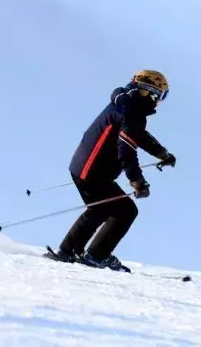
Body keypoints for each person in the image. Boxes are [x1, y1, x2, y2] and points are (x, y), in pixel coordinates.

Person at [51, 70, 176, 272]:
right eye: (157, 96)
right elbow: (127, 149)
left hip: (83, 166)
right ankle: (95, 257)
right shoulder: (132, 112)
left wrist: (161, 153)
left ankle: (67, 251)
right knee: (126, 210)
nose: (157, 102)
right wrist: (137, 181)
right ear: (146, 92)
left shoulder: (125, 103)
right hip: (93, 171)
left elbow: (138, 135)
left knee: (100, 208)